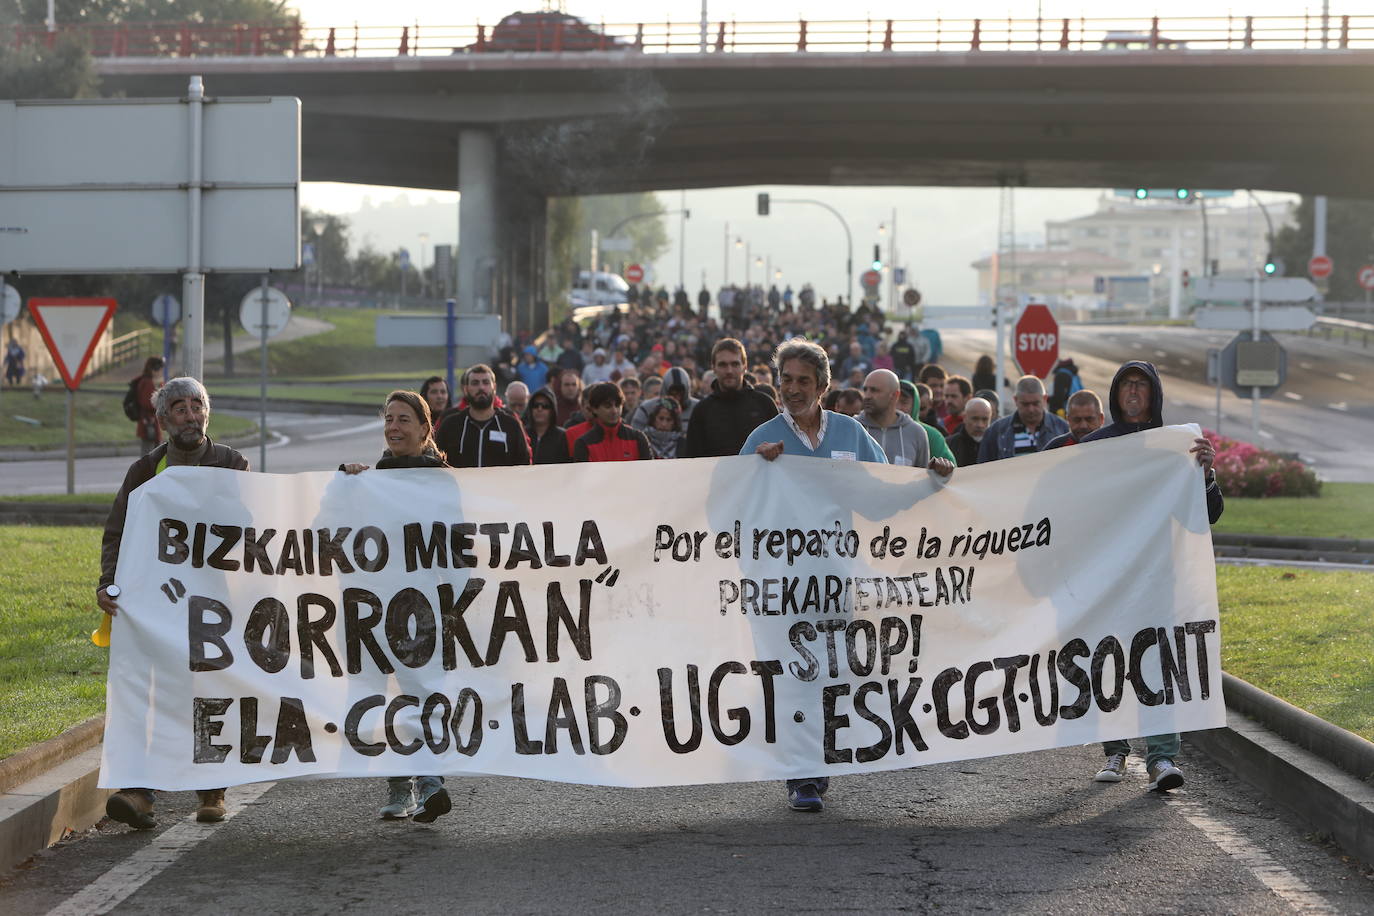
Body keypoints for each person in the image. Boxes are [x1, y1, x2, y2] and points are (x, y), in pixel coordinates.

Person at [742, 339, 953, 814]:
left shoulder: (851, 436)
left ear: (822, 386)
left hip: (837, 582)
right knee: (795, 676)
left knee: (829, 676)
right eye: (786, 380)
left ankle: (819, 765)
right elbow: (731, 510)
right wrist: (757, 471)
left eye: (803, 381)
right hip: (781, 587)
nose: (792, 390)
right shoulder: (761, 438)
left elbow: (880, 495)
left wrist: (929, 479)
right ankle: (803, 778)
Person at [98, 376, 247, 829]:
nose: (190, 414)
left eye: (196, 405)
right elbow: (118, 532)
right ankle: (138, 791)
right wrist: (108, 581)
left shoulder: (232, 463)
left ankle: (212, 791)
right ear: (162, 420)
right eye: (179, 408)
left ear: (208, 412)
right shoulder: (145, 471)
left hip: (213, 604)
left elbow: (256, 526)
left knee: (207, 694)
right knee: (147, 694)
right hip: (157, 604)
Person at [1086, 361, 1222, 792]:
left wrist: (1205, 476)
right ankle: (1115, 750)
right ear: (1115, 393)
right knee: (1108, 661)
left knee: (1158, 664)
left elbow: (1208, 516)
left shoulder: (1177, 448)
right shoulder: (1094, 447)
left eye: (1141, 385)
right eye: (1125, 384)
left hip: (1159, 578)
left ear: (1154, 395)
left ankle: (1162, 758)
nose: (1132, 391)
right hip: (1108, 579)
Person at [339, 391, 453, 823]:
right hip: (371, 608)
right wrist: (342, 483)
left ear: (425, 429)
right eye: (389, 419)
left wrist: (458, 602)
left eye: (404, 419)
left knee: (420, 695)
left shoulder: (443, 479)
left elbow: (461, 543)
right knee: (376, 697)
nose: (394, 427)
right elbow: (325, 531)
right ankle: (399, 785)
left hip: (421, 606)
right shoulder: (368, 480)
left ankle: (429, 784)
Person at [682, 338, 779, 458]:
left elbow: (782, 450)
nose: (729, 371)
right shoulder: (702, 411)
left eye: (735, 364)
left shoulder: (764, 404)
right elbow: (692, 459)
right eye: (723, 365)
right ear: (713, 367)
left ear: (745, 366)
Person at [434, 364, 530, 467]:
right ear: (466, 389)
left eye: (486, 382)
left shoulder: (511, 425)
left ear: (494, 387)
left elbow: (524, 465)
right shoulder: (450, 425)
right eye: (475, 383)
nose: (481, 387)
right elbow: (436, 462)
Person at [976, 376, 1069, 463]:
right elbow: (983, 470)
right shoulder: (995, 431)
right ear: (1015, 400)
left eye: (1036, 404)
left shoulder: (1062, 428)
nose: (1031, 409)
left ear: (1045, 399)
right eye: (1025, 404)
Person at [856, 369, 932, 470]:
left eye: (874, 390)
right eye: (865, 389)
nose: (867, 396)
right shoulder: (852, 427)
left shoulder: (916, 433)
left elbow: (922, 480)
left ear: (895, 395)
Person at [572, 381, 652, 461]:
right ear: (594, 409)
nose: (614, 411)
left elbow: (648, 471)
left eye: (617, 405)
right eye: (607, 406)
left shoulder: (638, 438)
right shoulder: (583, 444)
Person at [524, 387, 570, 464]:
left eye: (545, 406)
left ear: (552, 410)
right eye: (536, 405)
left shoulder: (562, 436)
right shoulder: (523, 434)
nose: (539, 409)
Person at [945, 396, 992, 467]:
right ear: (964, 417)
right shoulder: (949, 445)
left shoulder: (997, 444)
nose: (980, 425)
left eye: (985, 419)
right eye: (975, 419)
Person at [134, 357, 164, 455]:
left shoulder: (152, 381)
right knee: (149, 455)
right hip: (149, 425)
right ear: (153, 370)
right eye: (160, 369)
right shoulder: (147, 383)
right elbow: (148, 404)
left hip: (152, 424)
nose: (161, 372)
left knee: (154, 454)